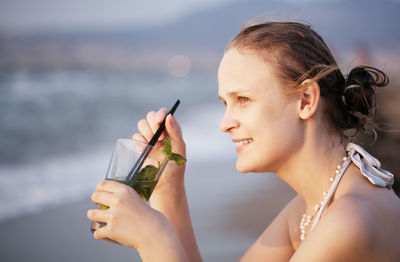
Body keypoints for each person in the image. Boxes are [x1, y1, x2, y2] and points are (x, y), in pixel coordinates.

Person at [87, 20, 400, 261]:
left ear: (306, 100)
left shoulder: (350, 220)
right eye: (225, 103)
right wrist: (170, 185)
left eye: (244, 99)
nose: (225, 124)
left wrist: (154, 239)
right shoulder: (312, 207)